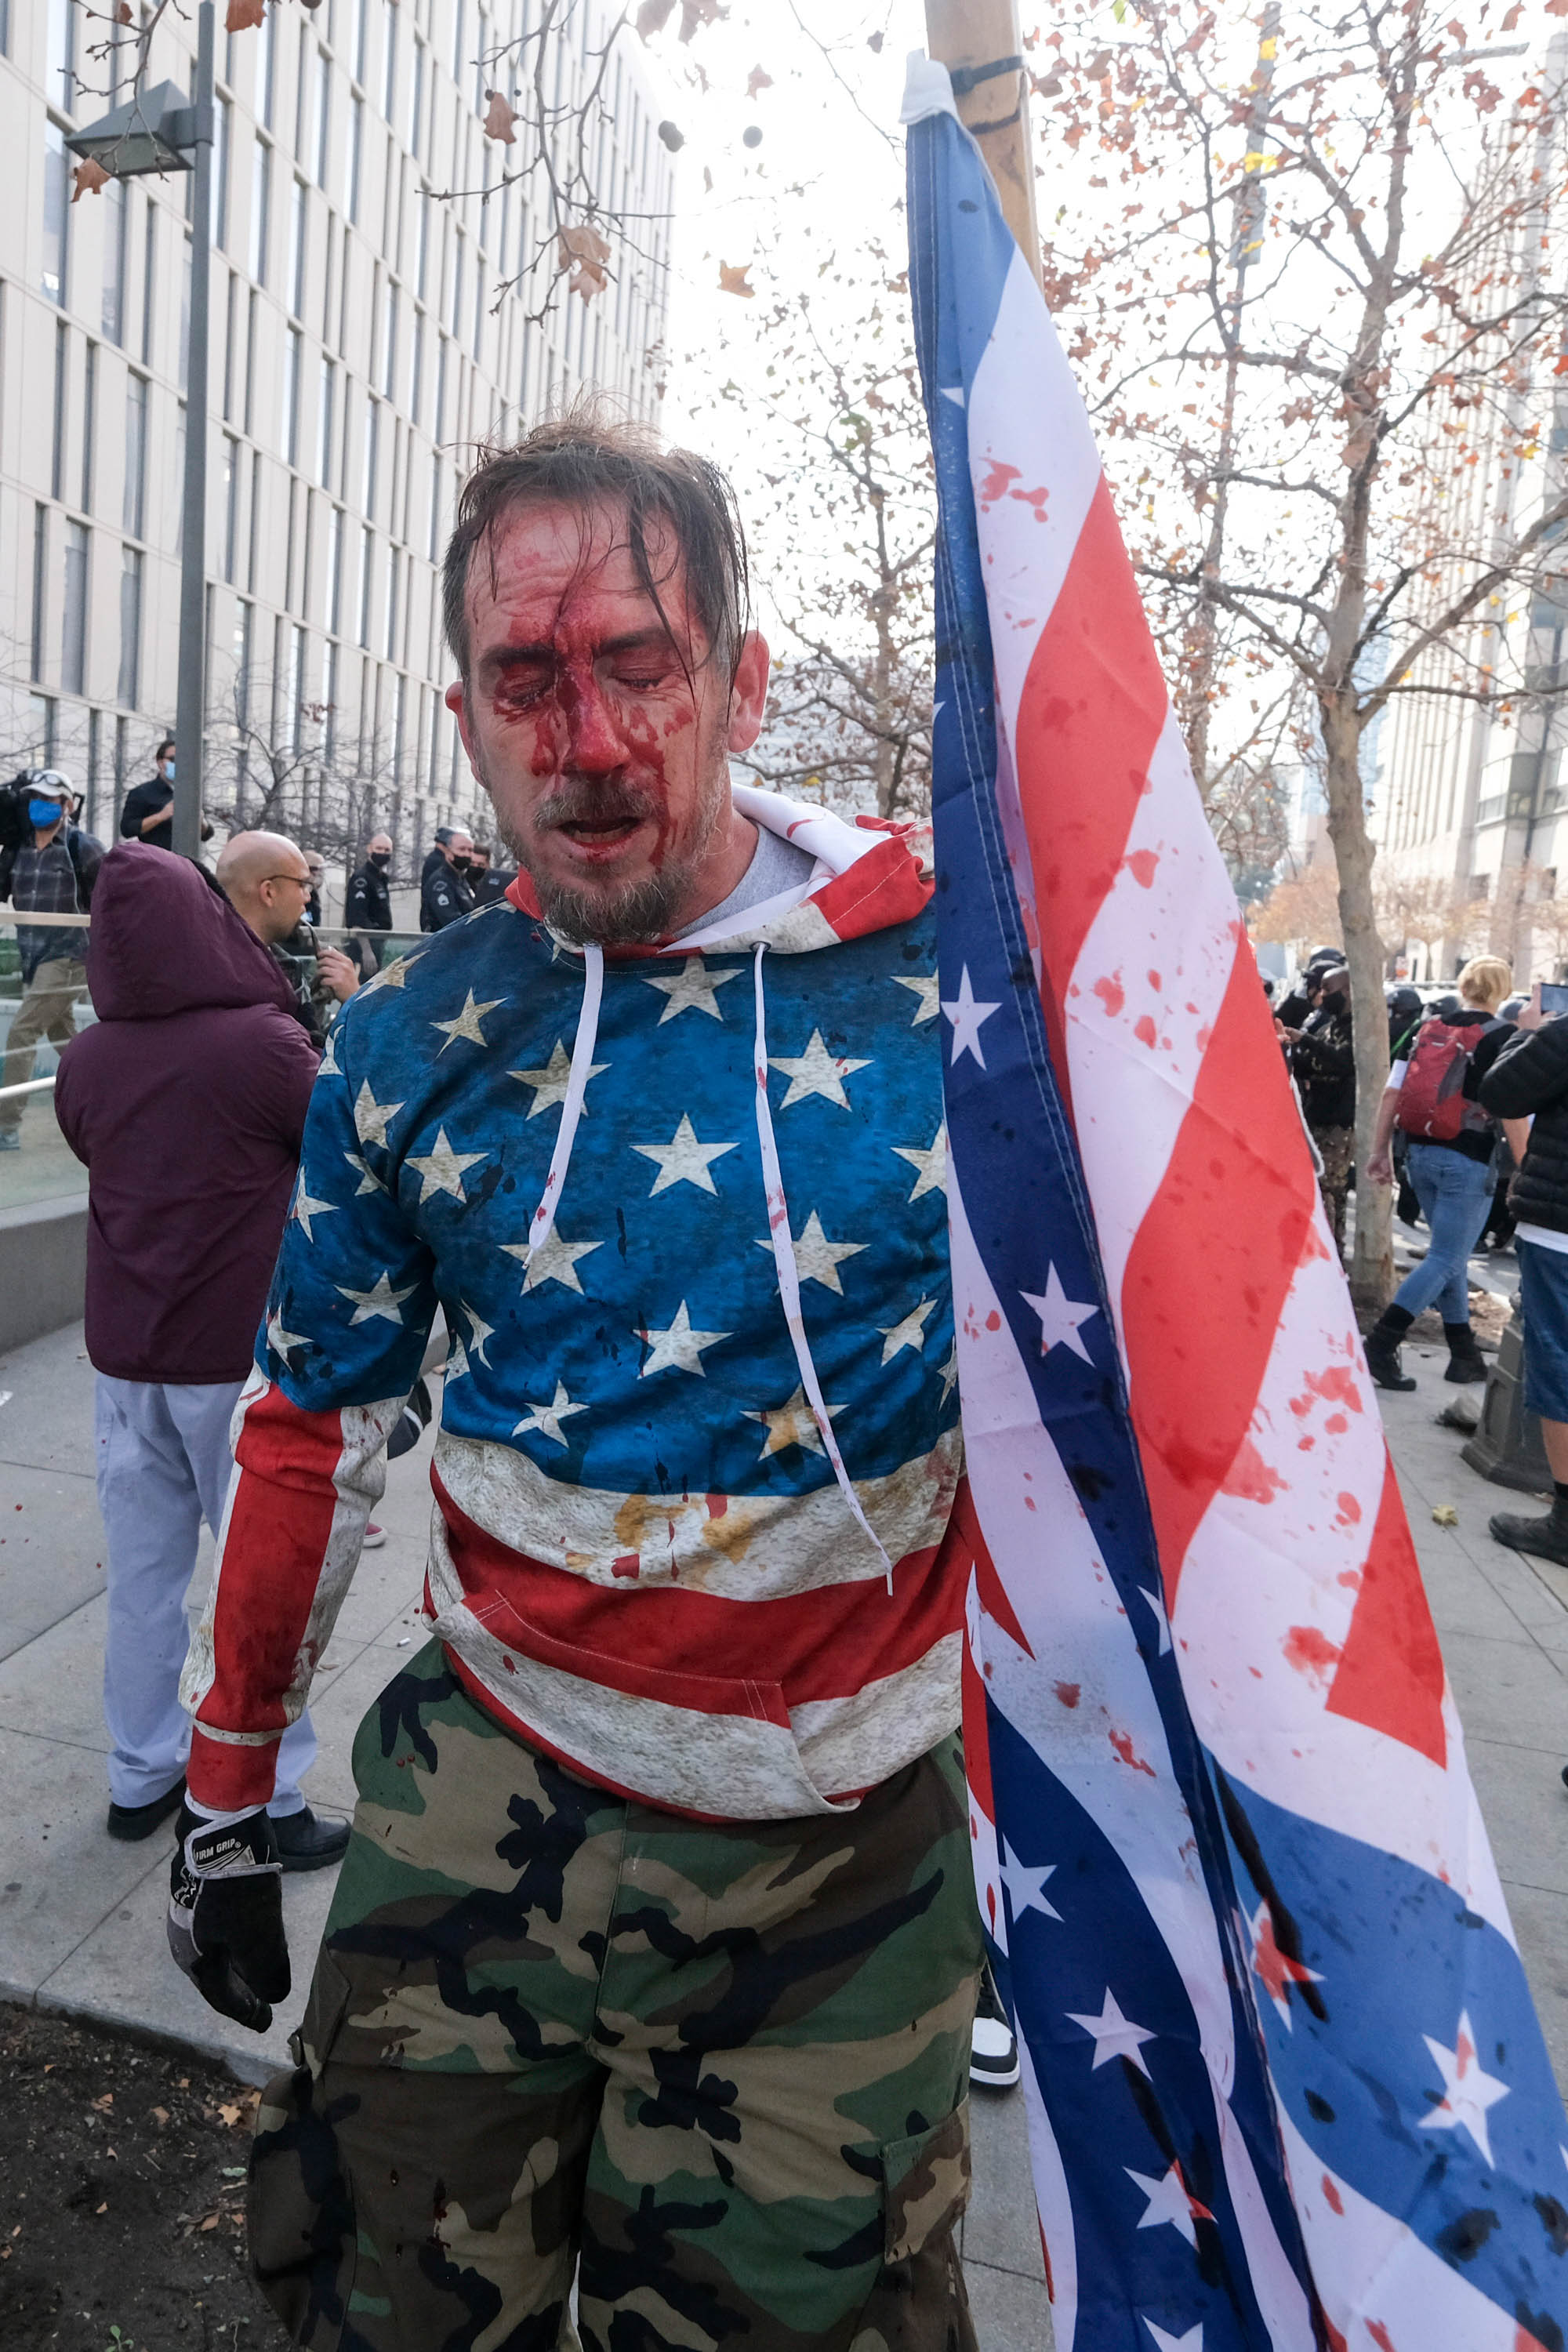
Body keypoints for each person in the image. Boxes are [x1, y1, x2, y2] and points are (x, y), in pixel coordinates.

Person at [169, 409, 983, 2352]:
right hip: (478, 1797)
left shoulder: (969, 1001)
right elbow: (307, 1420)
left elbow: (1161, 1410)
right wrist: (223, 1780)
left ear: (741, 681)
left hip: (833, 1869)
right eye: (528, 680)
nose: (588, 741)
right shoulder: (409, 1041)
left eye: (637, 662)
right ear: (463, 715)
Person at [53, 844, 350, 1864]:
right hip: (233, 1357)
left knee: (144, 1574)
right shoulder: (262, 1044)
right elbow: (343, 1150)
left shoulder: (87, 1058)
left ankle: (140, 1775)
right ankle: (264, 1798)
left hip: (123, 1356)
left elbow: (98, 1151)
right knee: (256, 1582)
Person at [1363, 955, 1514, 1388]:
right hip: (1468, 1161)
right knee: (1447, 1257)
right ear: (1502, 990)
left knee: (1449, 1255)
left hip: (1419, 1154)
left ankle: (1463, 1353)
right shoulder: (1503, 1037)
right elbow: (1516, 1113)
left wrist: (1379, 1151)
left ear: (1464, 985)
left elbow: (1393, 1092)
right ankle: (1381, 1343)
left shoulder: (1426, 1028)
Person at [1475, 983, 1568, 1565]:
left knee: (1558, 1367)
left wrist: (1531, 1031)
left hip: (1560, 1233)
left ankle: (1565, 1523)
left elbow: (1501, 1090)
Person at [0, 771, 103, 1152]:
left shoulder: (81, 847)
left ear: (67, 805)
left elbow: (109, 896)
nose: (39, 806)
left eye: (49, 799)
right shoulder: (17, 848)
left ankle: (6, 1125)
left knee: (22, 1031)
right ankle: (111, 1088)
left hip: (70, 954)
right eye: (33, 798)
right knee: (64, 1037)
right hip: (33, 956)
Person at [216, 830, 361, 1051]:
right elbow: (312, 1071)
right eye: (302, 884)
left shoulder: (211, 957)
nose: (308, 896)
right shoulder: (250, 986)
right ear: (269, 892)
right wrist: (355, 1004)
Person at [1283, 963, 1356, 1254]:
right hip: (1317, 1119)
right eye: (1321, 989)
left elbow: (1344, 1061)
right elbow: (1312, 1065)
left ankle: (1330, 1253)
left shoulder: (1358, 1029)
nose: (1323, 996)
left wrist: (1306, 1041)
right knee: (1320, 1189)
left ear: (1349, 991)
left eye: (1329, 989)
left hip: (1339, 1124)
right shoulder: (1328, 1028)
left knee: (1329, 1190)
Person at [118, 739, 177, 852]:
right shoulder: (142, 793)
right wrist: (160, 816)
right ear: (160, 762)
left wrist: (201, 821)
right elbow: (127, 829)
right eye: (173, 759)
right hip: (155, 862)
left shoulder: (191, 794)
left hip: (187, 864)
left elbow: (207, 834)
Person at [418, 822, 475, 929]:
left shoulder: (461, 880)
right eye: (462, 849)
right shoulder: (440, 881)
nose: (467, 854)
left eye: (470, 850)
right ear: (448, 852)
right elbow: (450, 921)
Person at [344, 832, 394, 935]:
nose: (383, 853)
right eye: (379, 848)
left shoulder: (381, 879)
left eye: (387, 850)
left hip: (379, 940)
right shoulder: (361, 878)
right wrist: (367, 950)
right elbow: (357, 920)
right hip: (365, 944)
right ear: (369, 849)